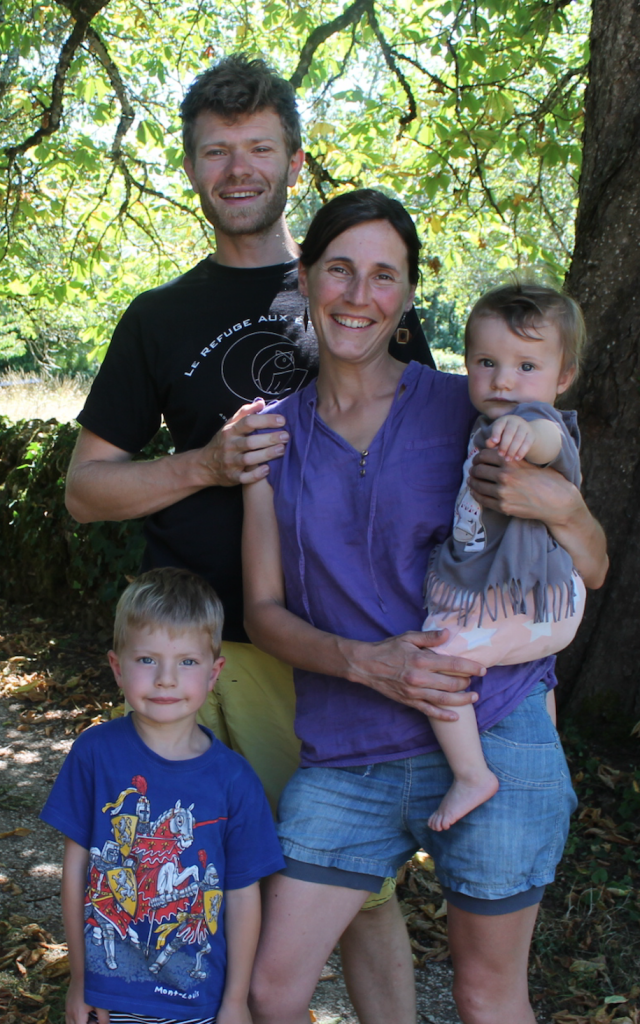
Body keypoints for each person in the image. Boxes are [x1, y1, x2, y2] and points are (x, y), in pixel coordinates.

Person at [63, 53, 449, 1021]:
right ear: (189, 168)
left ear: (295, 159)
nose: (238, 168)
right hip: (193, 657)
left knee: (356, 894)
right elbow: (84, 491)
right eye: (214, 151)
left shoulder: (359, 286)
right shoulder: (156, 319)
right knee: (188, 894)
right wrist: (203, 464)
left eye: (258, 148)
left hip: (330, 651)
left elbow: (431, 468)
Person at [242, 189, 608, 1024]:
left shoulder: (472, 405)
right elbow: (263, 610)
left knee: (485, 996)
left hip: (496, 726)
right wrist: (365, 661)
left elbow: (589, 564)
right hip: (349, 745)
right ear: (305, 280)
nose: (358, 295)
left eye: (383, 276)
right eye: (339, 270)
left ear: (406, 293)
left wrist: (563, 508)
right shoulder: (273, 435)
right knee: (272, 990)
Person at [40, 567, 285, 1024]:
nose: (167, 679)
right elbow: (75, 869)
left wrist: (235, 1001)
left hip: (198, 1003)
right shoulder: (94, 754)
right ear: (117, 667)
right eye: (147, 659)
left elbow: (240, 895)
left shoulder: (236, 780)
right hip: (107, 1000)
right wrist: (78, 977)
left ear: (214, 674)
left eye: (187, 662)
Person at [422, 283, 591, 832]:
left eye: (526, 366)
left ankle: (473, 774)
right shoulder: (481, 424)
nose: (503, 380)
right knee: (526, 669)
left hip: (537, 597)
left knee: (436, 659)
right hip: (532, 599)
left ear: (562, 378)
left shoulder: (543, 424)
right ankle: (545, 738)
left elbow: (547, 440)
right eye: (487, 362)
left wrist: (526, 431)